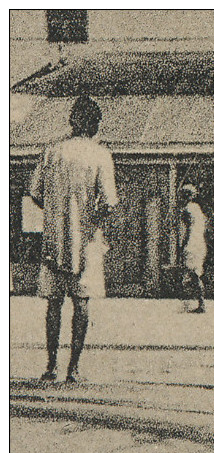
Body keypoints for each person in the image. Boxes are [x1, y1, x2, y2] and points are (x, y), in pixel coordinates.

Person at [30, 95, 118, 384]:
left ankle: (51, 366)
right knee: (81, 303)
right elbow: (108, 202)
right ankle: (74, 369)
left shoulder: (52, 152)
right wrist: (87, 221)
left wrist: (58, 214)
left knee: (53, 304)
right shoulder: (100, 154)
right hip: (86, 241)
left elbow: (35, 193)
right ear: (94, 124)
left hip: (54, 240)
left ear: (71, 120)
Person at [178, 184, 209, 313]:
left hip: (192, 244)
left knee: (193, 275)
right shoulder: (198, 209)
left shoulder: (187, 210)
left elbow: (187, 230)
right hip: (200, 243)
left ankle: (200, 303)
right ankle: (199, 302)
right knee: (195, 273)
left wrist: (182, 244)